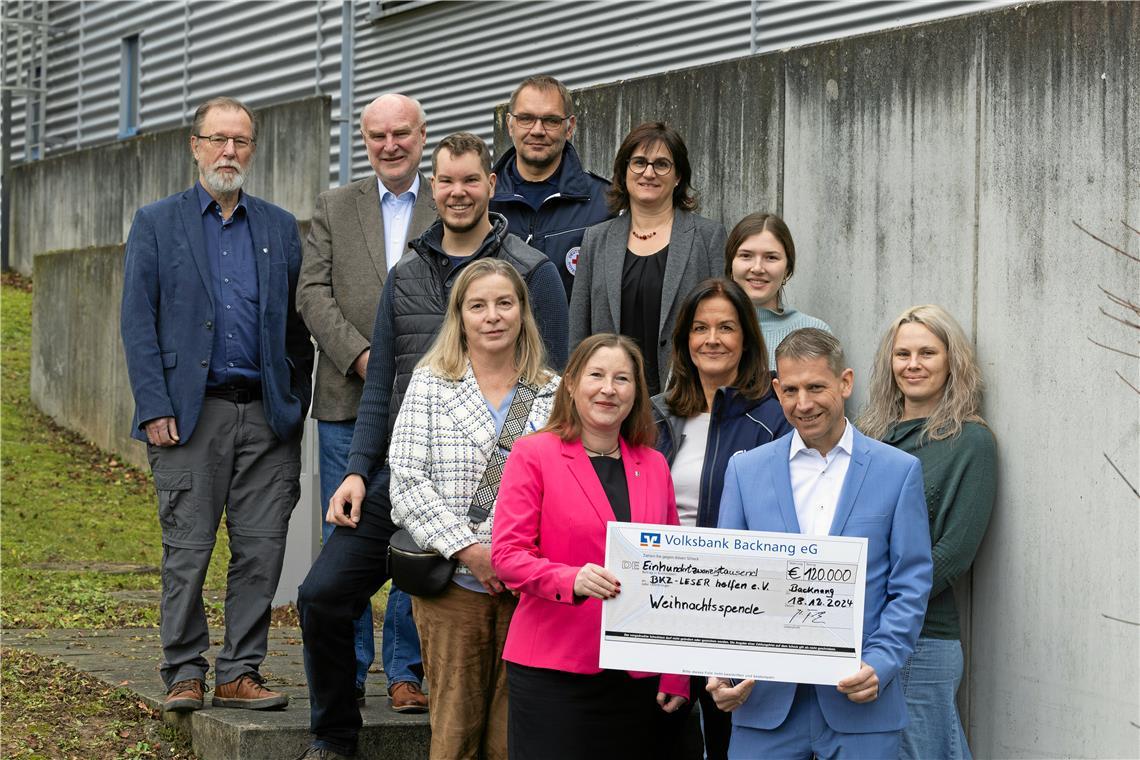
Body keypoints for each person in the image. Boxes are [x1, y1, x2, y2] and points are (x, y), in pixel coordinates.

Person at [295, 131, 568, 759]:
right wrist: (359, 472)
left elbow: (557, 382)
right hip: (410, 477)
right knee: (322, 596)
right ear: (432, 187)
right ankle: (334, 736)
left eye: (470, 180)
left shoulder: (532, 272)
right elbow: (383, 381)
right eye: (446, 181)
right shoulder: (408, 273)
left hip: (508, 494)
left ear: (490, 185)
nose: (458, 192)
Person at [120, 96, 313, 713]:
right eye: (218, 139)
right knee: (188, 549)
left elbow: (295, 326)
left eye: (241, 141)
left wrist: (293, 401)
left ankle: (239, 670)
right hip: (186, 416)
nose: (229, 152)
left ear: (252, 150)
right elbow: (137, 322)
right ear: (195, 145)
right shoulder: (156, 222)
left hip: (266, 416)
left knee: (262, 549)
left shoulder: (280, 227)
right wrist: (153, 405)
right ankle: (183, 670)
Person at [711, 328, 932, 759]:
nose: (804, 403)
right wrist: (723, 670)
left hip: (861, 700)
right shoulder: (746, 472)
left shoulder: (898, 471)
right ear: (776, 390)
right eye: (791, 390)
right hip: (764, 703)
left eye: (816, 387)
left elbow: (911, 582)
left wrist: (882, 664)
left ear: (845, 383)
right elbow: (725, 584)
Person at [389, 259, 560, 759]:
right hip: (454, 586)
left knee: (514, 735)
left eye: (504, 303)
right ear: (459, 316)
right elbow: (406, 481)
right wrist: (471, 550)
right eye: (478, 305)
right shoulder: (431, 382)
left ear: (523, 313)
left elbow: (564, 486)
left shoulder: (552, 390)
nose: (493, 316)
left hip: (527, 590)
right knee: (455, 732)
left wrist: (513, 558)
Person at [296, 92, 433, 714]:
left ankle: (407, 669)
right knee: (344, 530)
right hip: (348, 398)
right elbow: (312, 293)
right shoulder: (334, 206)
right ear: (364, 140)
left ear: (421, 136)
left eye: (401, 133)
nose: (390, 145)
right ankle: (348, 668)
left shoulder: (448, 201)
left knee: (418, 529)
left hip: (431, 404)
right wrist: (361, 355)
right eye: (377, 135)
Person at [492, 333, 690, 760]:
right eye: (596, 375)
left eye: (622, 379)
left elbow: (675, 574)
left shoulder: (654, 464)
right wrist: (570, 578)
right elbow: (507, 556)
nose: (608, 389)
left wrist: (676, 671)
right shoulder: (533, 454)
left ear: (636, 393)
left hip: (638, 678)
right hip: (554, 671)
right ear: (570, 384)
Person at [650, 278, 792, 759]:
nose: (711, 339)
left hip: (737, 603)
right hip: (660, 599)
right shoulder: (654, 415)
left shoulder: (775, 419)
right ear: (684, 340)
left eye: (726, 327)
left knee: (731, 741)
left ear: (747, 339)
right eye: (700, 328)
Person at [856, 305, 996, 760]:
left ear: (952, 360)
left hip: (923, 638)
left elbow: (955, 553)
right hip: (860, 632)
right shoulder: (866, 436)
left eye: (927, 353)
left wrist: (878, 600)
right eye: (902, 354)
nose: (913, 364)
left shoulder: (970, 442)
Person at [569, 122, 727, 397]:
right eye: (639, 162)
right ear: (624, 171)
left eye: (662, 164)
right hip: (609, 400)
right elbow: (578, 330)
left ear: (678, 175)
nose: (649, 173)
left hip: (686, 397)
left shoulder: (708, 237)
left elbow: (724, 323)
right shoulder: (596, 239)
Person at [491, 74, 611, 299]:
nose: (537, 130)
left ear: (569, 127)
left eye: (551, 120)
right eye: (526, 118)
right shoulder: (483, 201)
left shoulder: (605, 204)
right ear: (510, 124)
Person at [725, 212, 830, 367]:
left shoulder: (814, 331)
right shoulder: (706, 331)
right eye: (746, 255)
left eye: (771, 257)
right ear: (730, 266)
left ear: (787, 269)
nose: (757, 268)